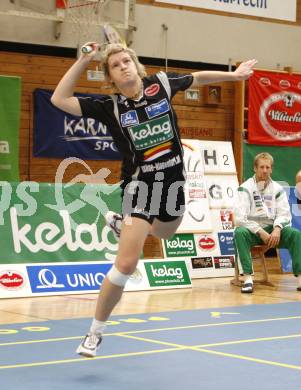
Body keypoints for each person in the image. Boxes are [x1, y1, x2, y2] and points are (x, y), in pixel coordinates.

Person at [51, 42, 257, 357]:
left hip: (173, 185)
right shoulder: (111, 107)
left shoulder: (160, 85)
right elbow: (59, 99)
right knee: (126, 264)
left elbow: (197, 79)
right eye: (115, 65)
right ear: (112, 78)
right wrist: (83, 60)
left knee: (162, 233)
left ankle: (123, 225)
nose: (122, 66)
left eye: (126, 61)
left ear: (137, 66)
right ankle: (94, 333)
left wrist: (236, 76)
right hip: (139, 188)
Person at [234, 152, 301, 294]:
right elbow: (240, 218)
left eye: (267, 167)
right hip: (252, 232)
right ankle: (247, 279)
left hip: (273, 231)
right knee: (239, 232)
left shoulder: (277, 189)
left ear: (271, 169)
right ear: (255, 168)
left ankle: (300, 277)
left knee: (295, 234)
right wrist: (260, 231)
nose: (264, 170)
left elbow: (284, 214)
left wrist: (277, 228)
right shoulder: (245, 188)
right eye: (261, 167)